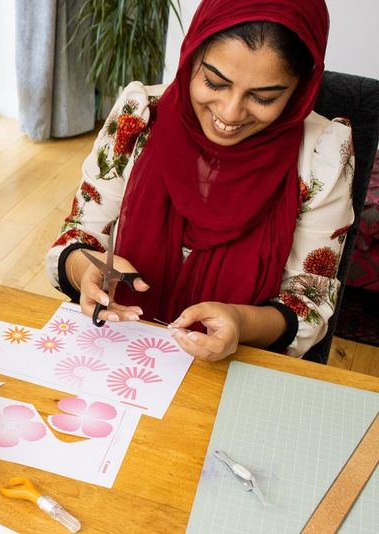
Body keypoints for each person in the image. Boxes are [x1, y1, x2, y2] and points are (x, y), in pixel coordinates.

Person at [46, 0, 354, 361]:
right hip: (116, 351)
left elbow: (309, 301)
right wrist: (87, 269)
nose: (230, 113)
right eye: (213, 82)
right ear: (192, 55)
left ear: (300, 90)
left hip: (239, 370)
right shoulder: (140, 116)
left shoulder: (322, 157)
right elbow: (79, 236)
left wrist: (240, 321)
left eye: (264, 97)